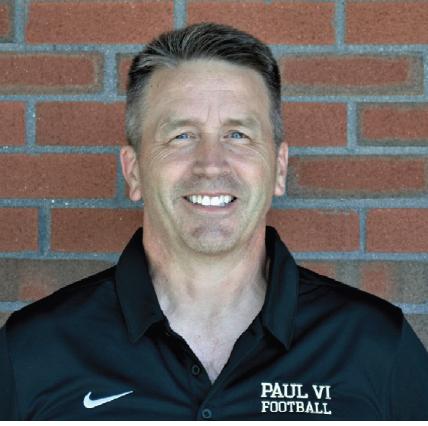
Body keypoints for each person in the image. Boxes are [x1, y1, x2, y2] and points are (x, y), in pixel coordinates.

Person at [1, 23, 428, 421]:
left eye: (238, 135)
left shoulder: (374, 346)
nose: (211, 164)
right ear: (133, 172)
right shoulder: (32, 353)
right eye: (182, 136)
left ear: (279, 168)